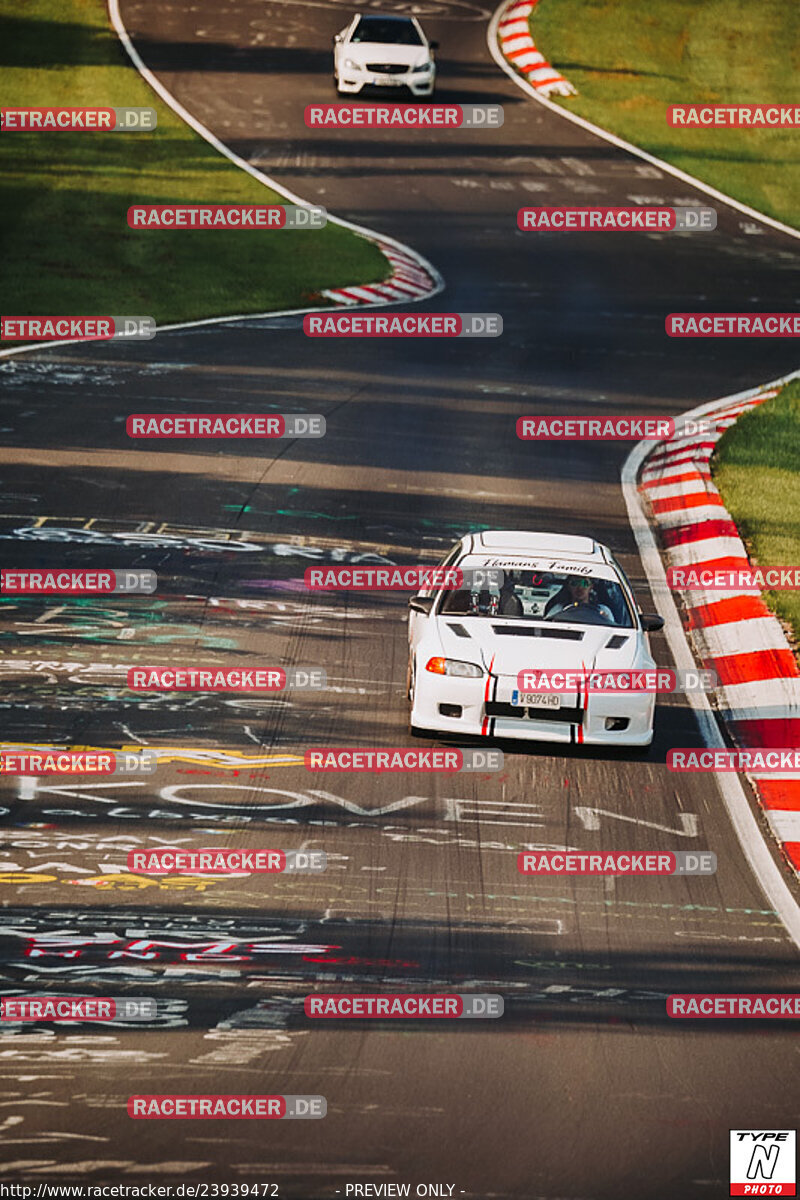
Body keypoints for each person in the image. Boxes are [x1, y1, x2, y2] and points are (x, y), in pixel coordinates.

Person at [544, 575, 614, 622]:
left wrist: (604, 620)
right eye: (575, 583)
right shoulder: (558, 609)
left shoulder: (603, 610)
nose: (580, 588)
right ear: (569, 587)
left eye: (584, 583)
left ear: (591, 587)